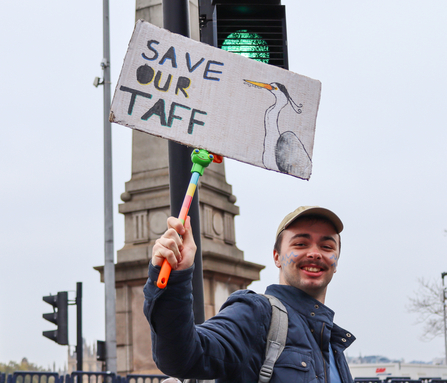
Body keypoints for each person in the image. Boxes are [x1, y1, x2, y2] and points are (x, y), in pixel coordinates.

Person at [143, 206, 355, 383]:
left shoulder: (333, 345)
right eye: (300, 244)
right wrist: (174, 280)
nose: (315, 253)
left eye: (327, 246)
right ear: (277, 257)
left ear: (335, 260)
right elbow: (183, 357)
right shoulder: (256, 313)